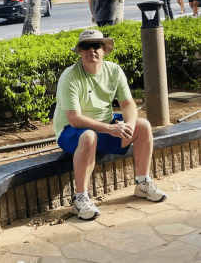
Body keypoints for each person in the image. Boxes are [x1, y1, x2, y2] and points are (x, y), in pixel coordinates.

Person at [53, 29, 167, 220]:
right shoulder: (70, 77)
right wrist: (110, 128)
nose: (92, 50)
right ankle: (80, 199)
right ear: (80, 51)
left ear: (104, 49)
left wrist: (129, 124)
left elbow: (128, 104)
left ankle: (142, 184)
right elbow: (74, 118)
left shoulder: (114, 70)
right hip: (71, 131)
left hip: (104, 124)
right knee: (89, 135)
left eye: (96, 45)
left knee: (143, 126)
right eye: (86, 46)